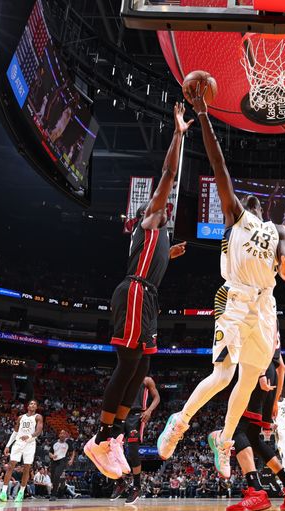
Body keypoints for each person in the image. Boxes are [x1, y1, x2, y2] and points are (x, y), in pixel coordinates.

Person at [156, 82, 285, 479]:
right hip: (235, 298)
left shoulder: (278, 229)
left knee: (247, 378)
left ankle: (223, 440)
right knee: (223, 375)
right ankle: (181, 420)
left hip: (266, 305)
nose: (254, 201)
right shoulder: (236, 215)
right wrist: (204, 114)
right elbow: (219, 165)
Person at [83, 102, 191, 479]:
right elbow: (167, 173)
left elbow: (149, 262)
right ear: (152, 209)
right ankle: (100, 436)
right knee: (128, 363)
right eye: (165, 204)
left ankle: (113, 435)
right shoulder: (148, 220)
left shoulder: (159, 236)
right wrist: (178, 134)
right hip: (133, 293)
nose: (169, 205)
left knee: (143, 365)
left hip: (148, 298)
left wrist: (170, 257)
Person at [227, 335, 285, 511]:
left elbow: (256, 344)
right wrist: (275, 400)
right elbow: (282, 367)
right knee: (253, 438)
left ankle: (255, 491)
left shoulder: (259, 309)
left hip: (257, 373)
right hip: (272, 377)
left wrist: (261, 374)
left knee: (236, 429)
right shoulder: (274, 320)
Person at [110, 375, 160, 505]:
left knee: (132, 452)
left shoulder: (146, 380)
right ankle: (120, 483)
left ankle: (136, 487)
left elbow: (157, 397)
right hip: (120, 416)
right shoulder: (124, 377)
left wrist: (149, 411)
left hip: (137, 417)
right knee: (111, 449)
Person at [0, 400, 43, 502]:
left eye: (35, 404)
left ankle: (21, 493)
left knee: (26, 468)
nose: (33, 405)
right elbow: (15, 432)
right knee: (10, 466)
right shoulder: (21, 417)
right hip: (18, 443)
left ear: (36, 407)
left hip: (30, 444)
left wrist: (30, 436)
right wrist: (8, 445)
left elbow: (38, 431)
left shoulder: (38, 417)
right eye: (31, 403)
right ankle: (3, 493)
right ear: (28, 406)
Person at [49, 430, 75, 501]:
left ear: (66, 436)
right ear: (59, 435)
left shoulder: (68, 443)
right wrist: (52, 456)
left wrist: (71, 460)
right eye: (61, 433)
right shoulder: (54, 443)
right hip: (54, 461)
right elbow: (50, 452)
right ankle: (58, 489)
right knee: (53, 478)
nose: (63, 435)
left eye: (64, 434)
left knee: (57, 475)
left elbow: (73, 452)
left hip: (63, 461)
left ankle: (53, 495)